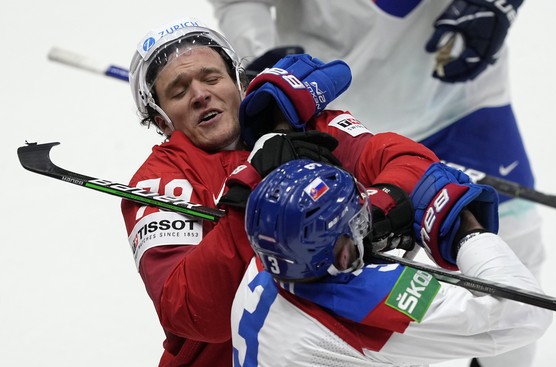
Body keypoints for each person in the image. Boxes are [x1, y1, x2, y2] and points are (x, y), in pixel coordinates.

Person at [209, 1, 544, 366]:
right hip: (346, 112)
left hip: (457, 98)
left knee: (518, 236)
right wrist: (262, 55)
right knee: (343, 265)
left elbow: (517, 311)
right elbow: (521, 315)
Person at [121, 17, 446, 366]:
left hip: (340, 343)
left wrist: (375, 211)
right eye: (179, 91)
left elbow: (406, 161)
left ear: (238, 81)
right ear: (160, 120)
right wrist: (254, 187)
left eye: (212, 78)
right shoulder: (158, 181)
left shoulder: (302, 123)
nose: (200, 95)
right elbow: (191, 311)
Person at [233, 158, 552, 367]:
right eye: (356, 221)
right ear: (340, 255)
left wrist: (387, 241)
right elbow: (524, 315)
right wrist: (466, 230)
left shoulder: (265, 261)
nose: (364, 221)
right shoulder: (368, 307)